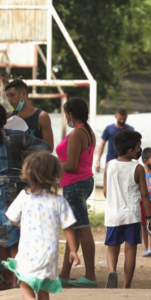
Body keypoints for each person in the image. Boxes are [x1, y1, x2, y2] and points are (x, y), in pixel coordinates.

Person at [4, 151, 80, 300]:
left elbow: (12, 218)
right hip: (49, 254)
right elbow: (68, 227)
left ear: (28, 173)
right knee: (44, 289)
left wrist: (22, 222)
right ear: (55, 175)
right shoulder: (59, 201)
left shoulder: (24, 196)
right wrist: (73, 251)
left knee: (24, 282)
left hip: (29, 251)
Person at [0, 103, 52, 287]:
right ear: (6, 121)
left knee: (0, 235)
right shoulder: (19, 136)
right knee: (17, 233)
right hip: (17, 190)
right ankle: (17, 279)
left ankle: (10, 274)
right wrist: (24, 154)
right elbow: (46, 146)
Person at [55, 98, 98, 287]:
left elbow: (71, 165)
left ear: (70, 114)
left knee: (82, 228)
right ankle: (64, 275)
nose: (66, 118)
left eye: (66, 115)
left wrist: (51, 167)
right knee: (73, 231)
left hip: (74, 184)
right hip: (84, 181)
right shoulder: (88, 131)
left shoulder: (76, 134)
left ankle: (90, 275)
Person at [102, 129, 151, 289]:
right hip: (132, 216)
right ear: (131, 150)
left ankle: (112, 271)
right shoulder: (138, 169)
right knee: (130, 251)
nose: (139, 150)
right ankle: (126, 286)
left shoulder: (109, 165)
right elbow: (144, 194)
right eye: (138, 147)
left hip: (113, 214)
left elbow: (105, 192)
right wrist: (149, 215)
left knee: (112, 248)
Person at [5, 79, 54, 148]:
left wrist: (23, 153)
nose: (9, 99)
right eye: (7, 96)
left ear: (23, 94)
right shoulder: (8, 116)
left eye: (12, 95)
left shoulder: (41, 117)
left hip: (36, 158)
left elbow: (49, 147)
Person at [95, 106, 134, 173]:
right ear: (116, 116)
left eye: (124, 119)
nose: (122, 121)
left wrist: (137, 160)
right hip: (111, 162)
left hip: (126, 163)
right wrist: (98, 161)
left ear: (126, 117)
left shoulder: (130, 130)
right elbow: (102, 144)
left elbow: (134, 146)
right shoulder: (109, 129)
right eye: (120, 119)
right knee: (109, 182)